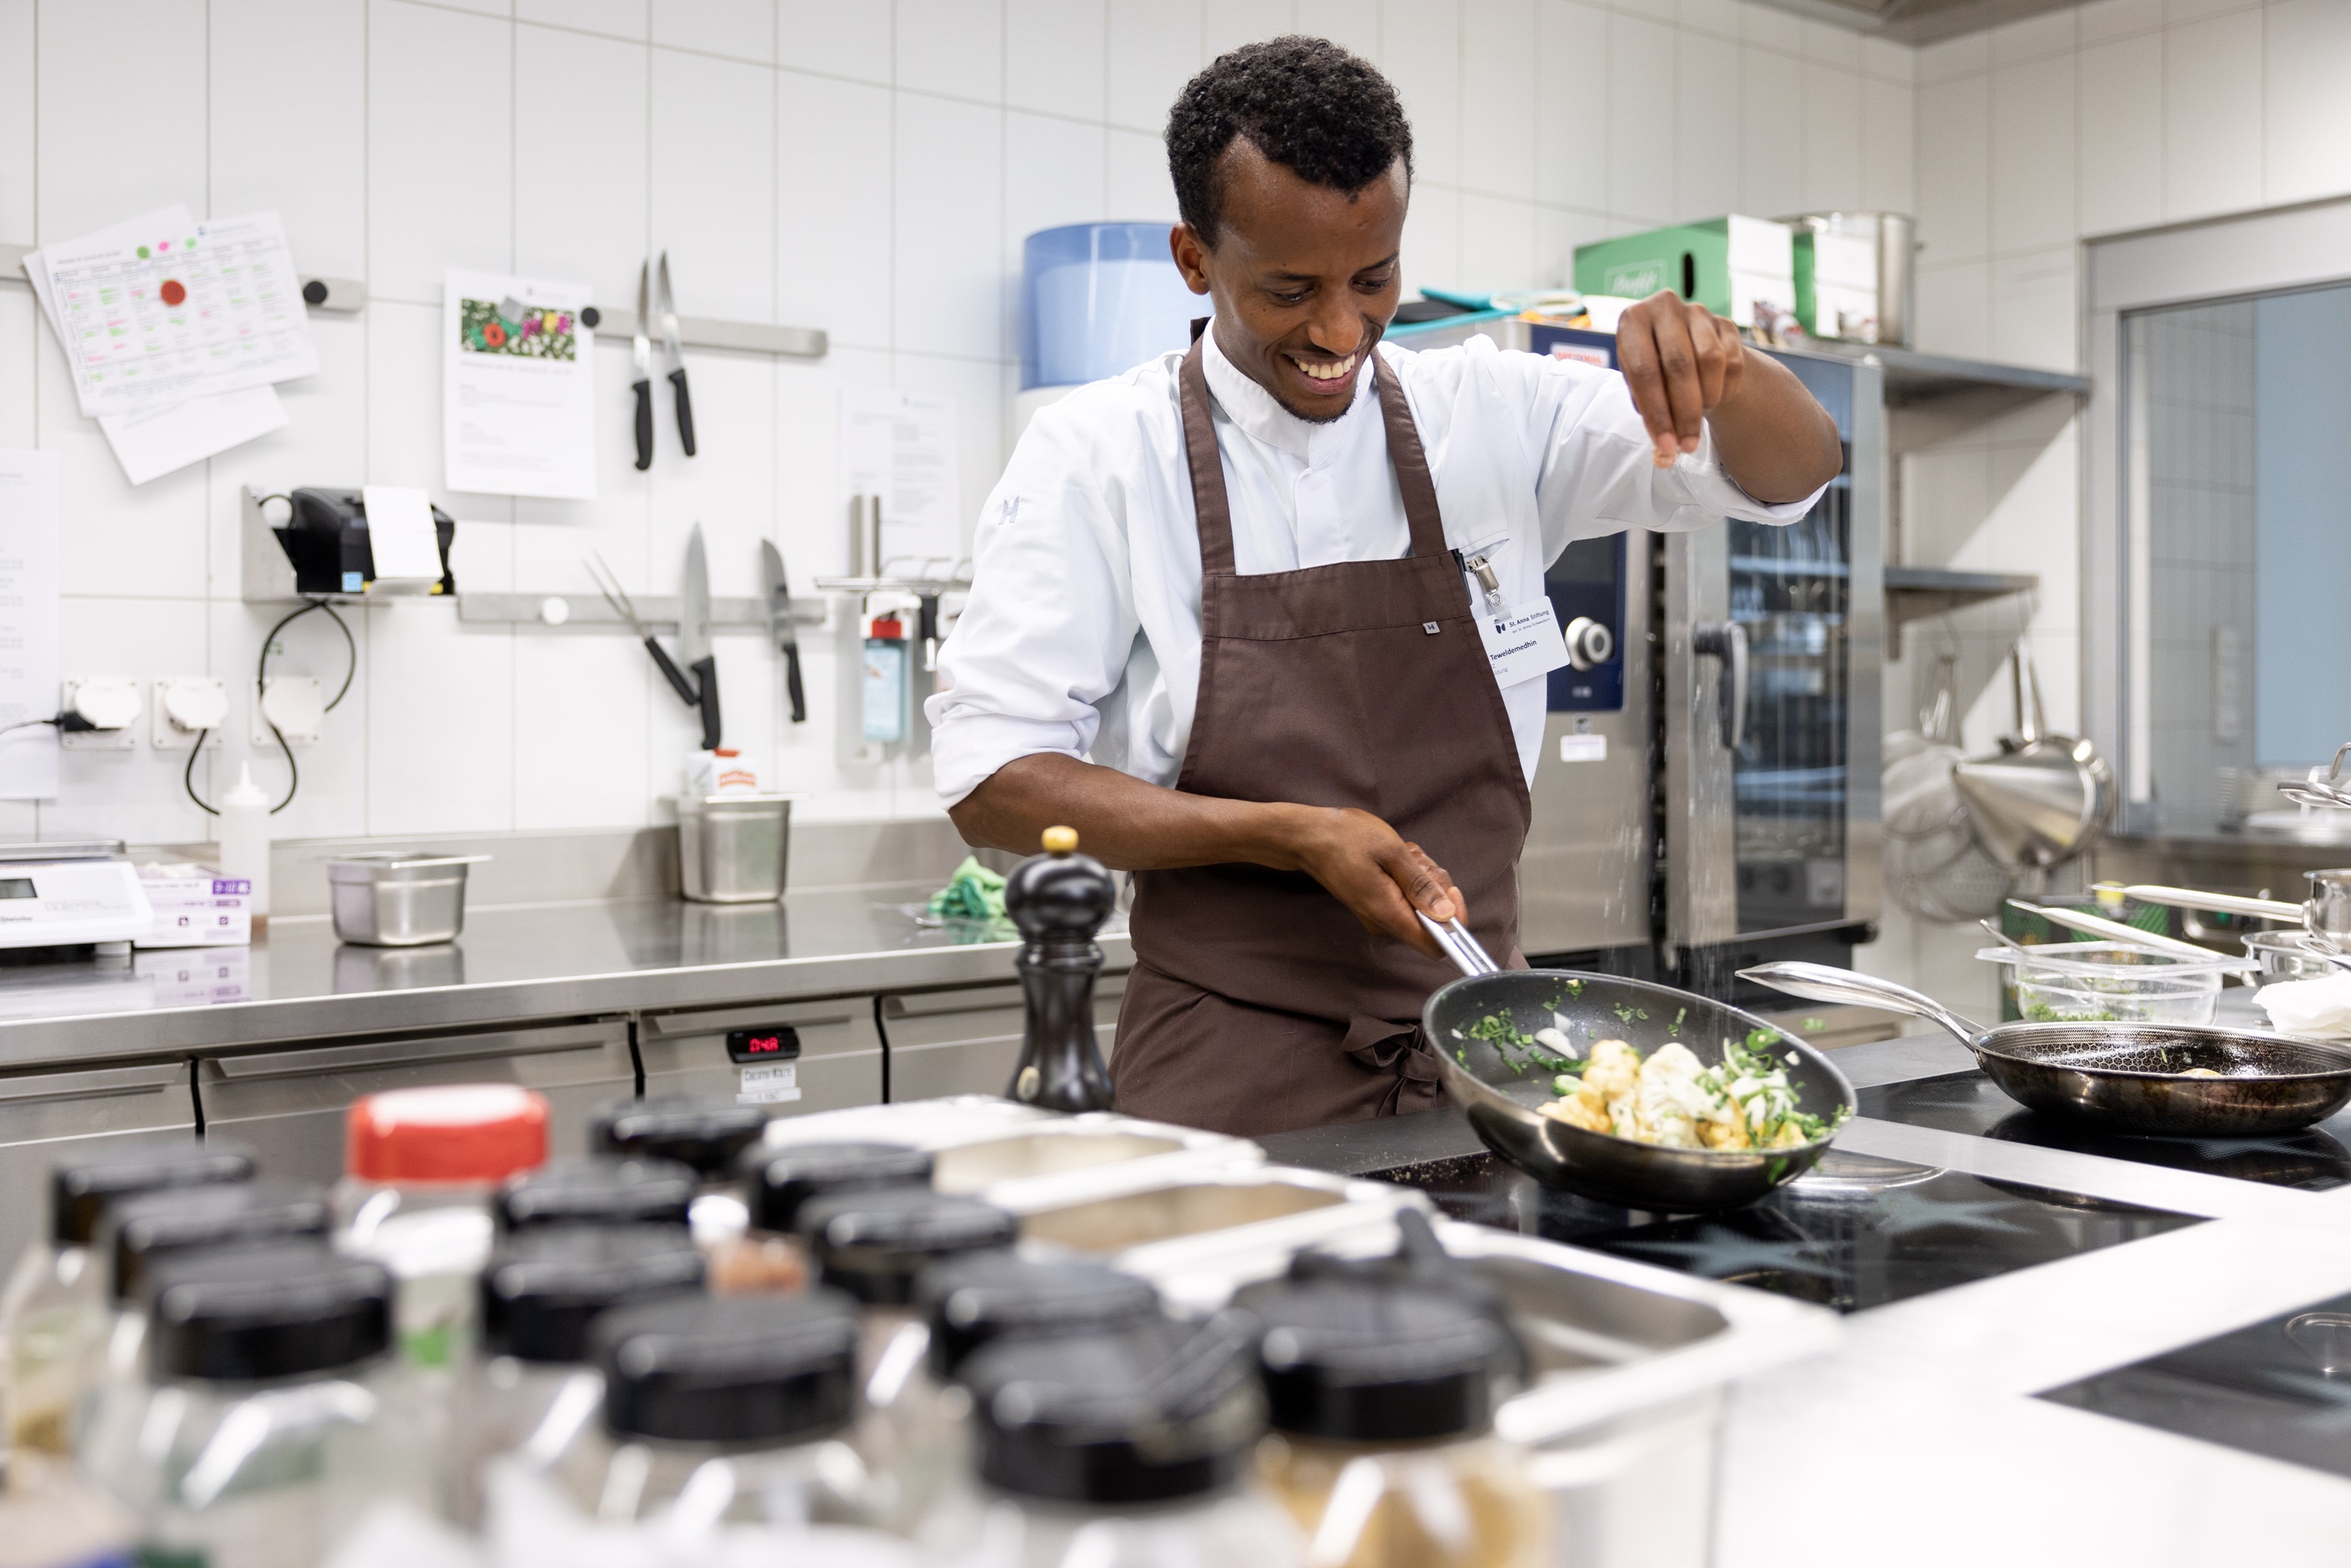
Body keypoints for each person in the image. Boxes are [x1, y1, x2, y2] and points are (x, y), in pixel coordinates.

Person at [927, 36, 1843, 1137]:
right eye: (1290, 289)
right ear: (1192, 258)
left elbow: (1792, 475)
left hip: (1489, 1056)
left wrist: (1727, 369)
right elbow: (992, 781)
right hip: (1228, 1065)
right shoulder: (1099, 453)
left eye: (1373, 281)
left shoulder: (1492, 413)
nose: (1339, 331)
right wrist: (1283, 835)